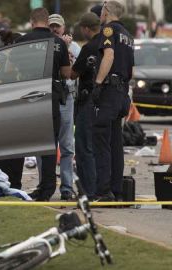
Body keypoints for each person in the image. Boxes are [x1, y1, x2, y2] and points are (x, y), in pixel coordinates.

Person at [14, 8, 71, 201]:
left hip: (25, 96)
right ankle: (46, 189)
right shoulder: (58, 43)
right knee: (48, 144)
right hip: (49, 98)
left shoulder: (21, 41)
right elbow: (66, 73)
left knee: (20, 142)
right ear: (47, 22)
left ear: (31, 22)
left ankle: (14, 184)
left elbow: (11, 68)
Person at [92, 1, 134, 201]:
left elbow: (108, 55)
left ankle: (103, 190)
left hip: (109, 91)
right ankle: (116, 189)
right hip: (122, 92)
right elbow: (131, 69)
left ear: (107, 12)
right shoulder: (128, 35)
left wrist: (98, 83)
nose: (100, 14)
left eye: (102, 10)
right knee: (116, 142)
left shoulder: (108, 30)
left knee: (101, 140)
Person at [48, 14, 80, 200]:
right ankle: (46, 184)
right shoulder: (44, 44)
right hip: (48, 97)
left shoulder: (74, 47)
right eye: (51, 27)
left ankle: (67, 187)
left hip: (66, 98)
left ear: (63, 27)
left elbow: (74, 73)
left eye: (57, 27)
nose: (54, 30)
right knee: (46, 145)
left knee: (67, 145)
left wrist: (66, 49)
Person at [0, 29, 24, 190]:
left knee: (18, 151)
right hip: (2, 112)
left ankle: (15, 184)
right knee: (1, 152)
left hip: (18, 112)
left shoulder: (20, 62)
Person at [71, 12, 101, 200]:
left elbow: (73, 74)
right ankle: (101, 188)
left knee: (83, 148)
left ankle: (88, 191)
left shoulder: (88, 47)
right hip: (104, 101)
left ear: (86, 28)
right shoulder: (108, 44)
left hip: (87, 100)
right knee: (100, 147)